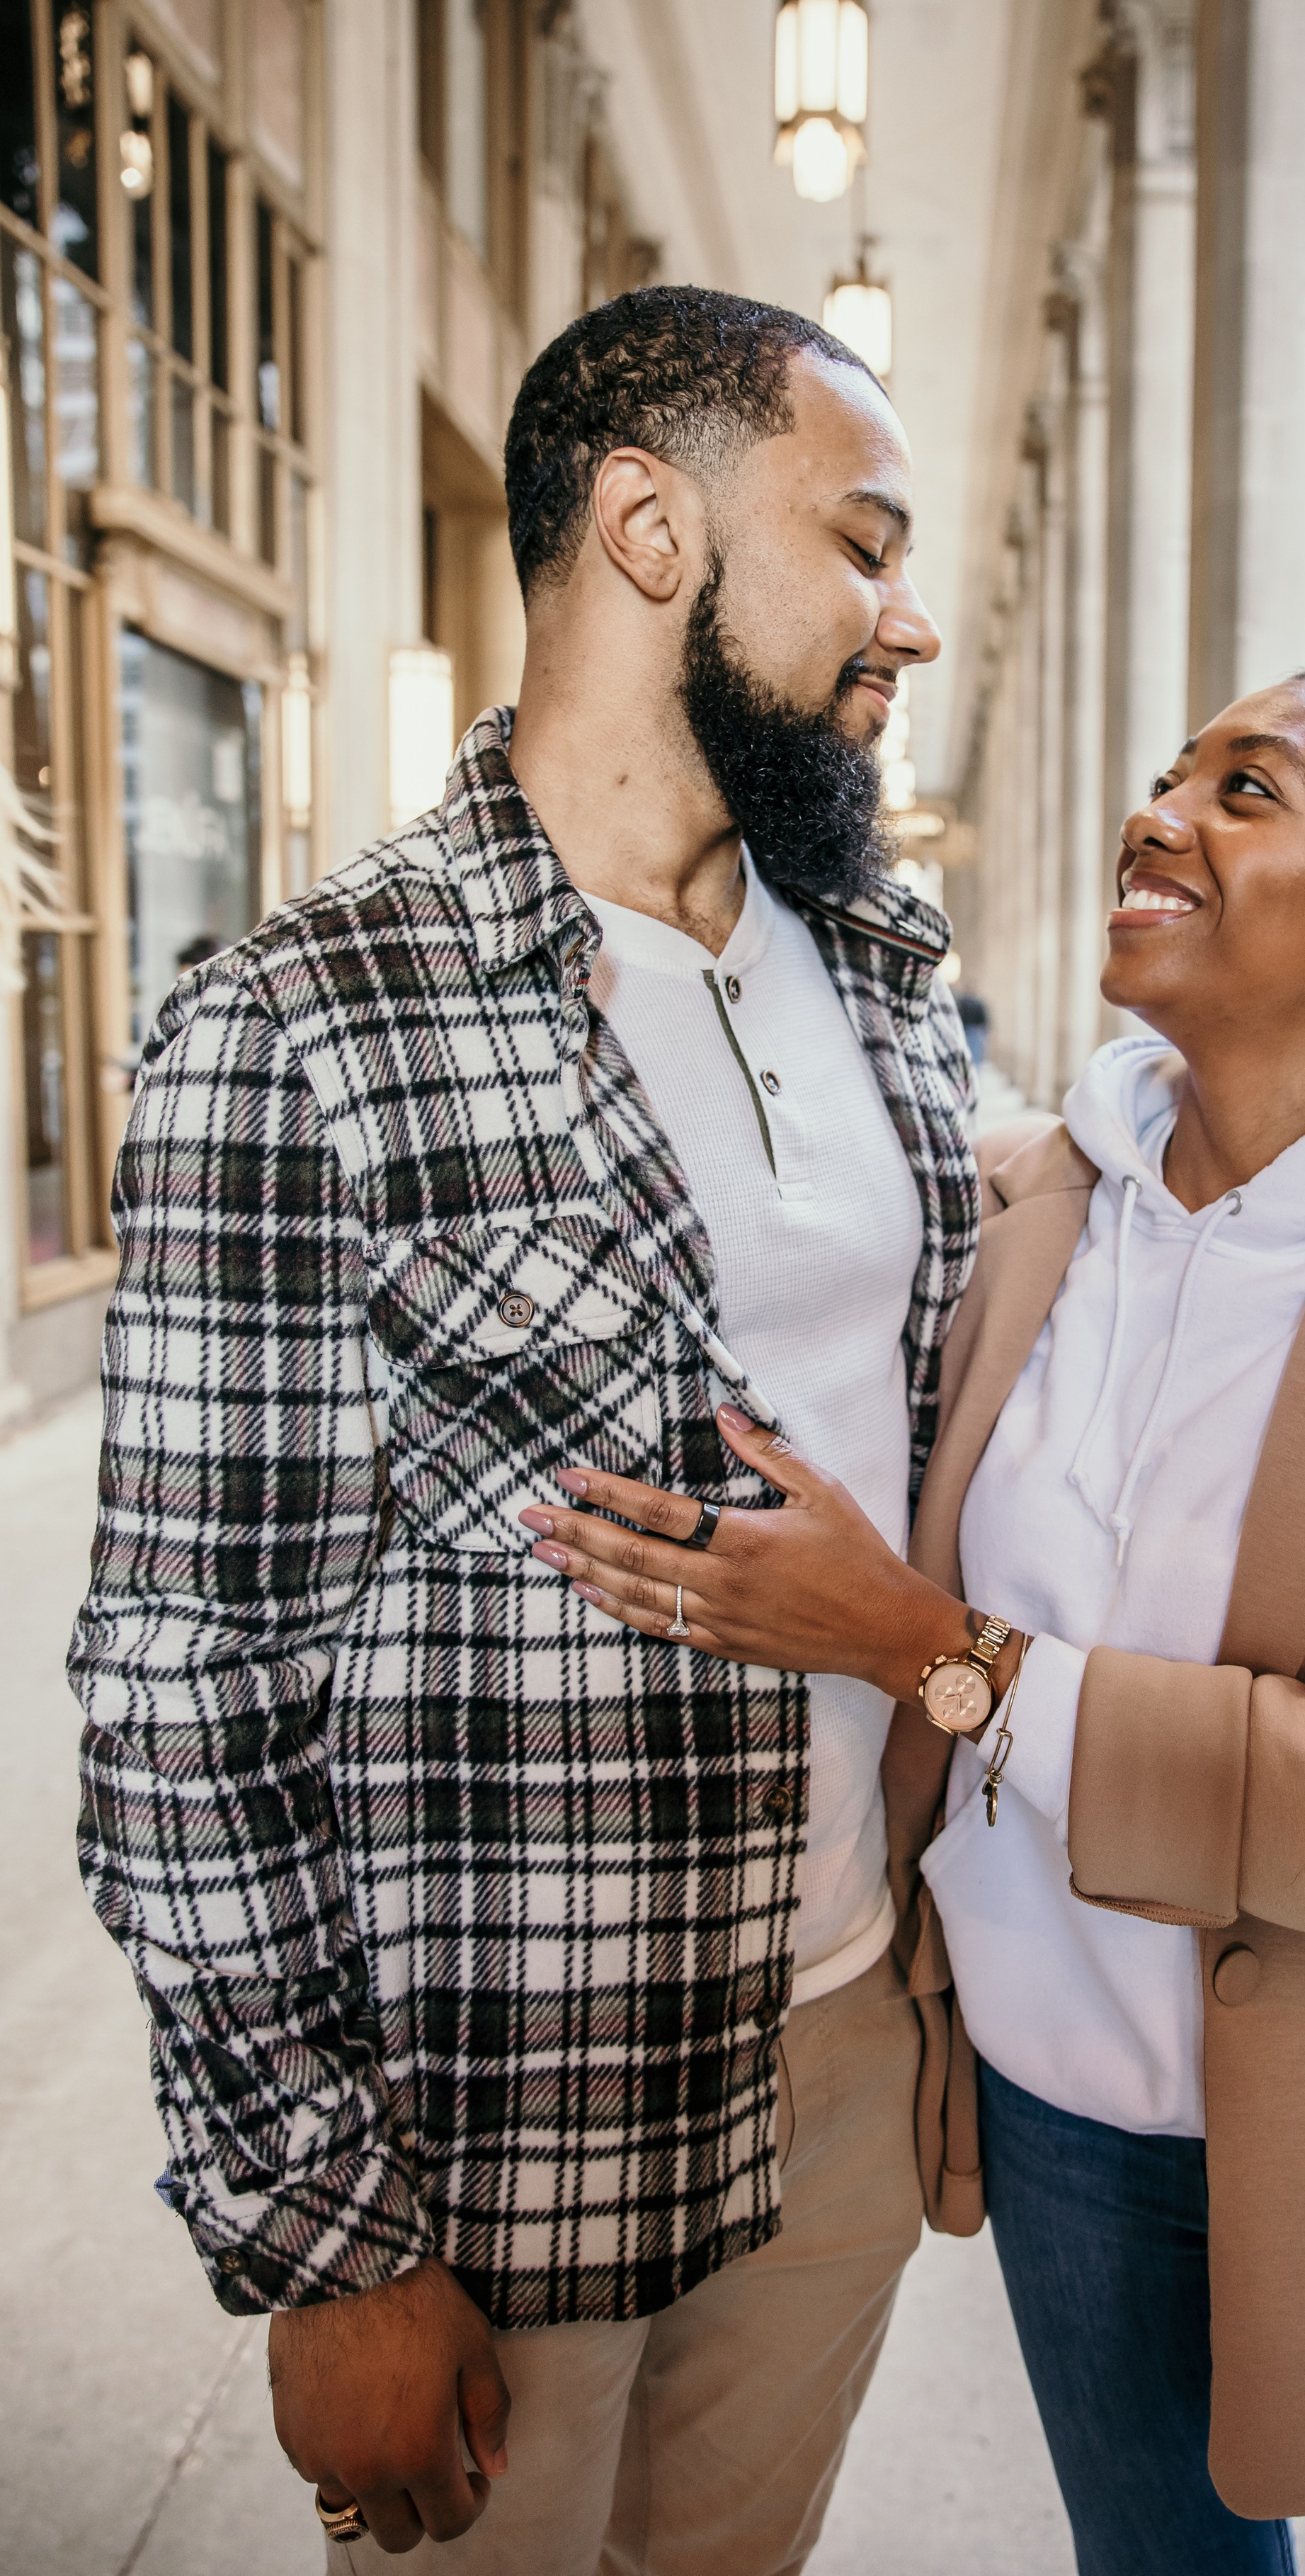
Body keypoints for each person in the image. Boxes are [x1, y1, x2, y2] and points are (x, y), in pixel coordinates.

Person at [527, 672, 1305, 2576]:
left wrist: (926, 1647)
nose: (1159, 811)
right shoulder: (1038, 1194)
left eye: (1244, 788)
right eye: (1166, 770)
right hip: (1055, 2114)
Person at [69, 285, 978, 2571]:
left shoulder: (889, 978)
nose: (917, 620)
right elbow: (187, 1679)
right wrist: (322, 2234)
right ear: (651, 528)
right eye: (863, 543)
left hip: (850, 2045)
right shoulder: (303, 1023)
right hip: (506, 2122)